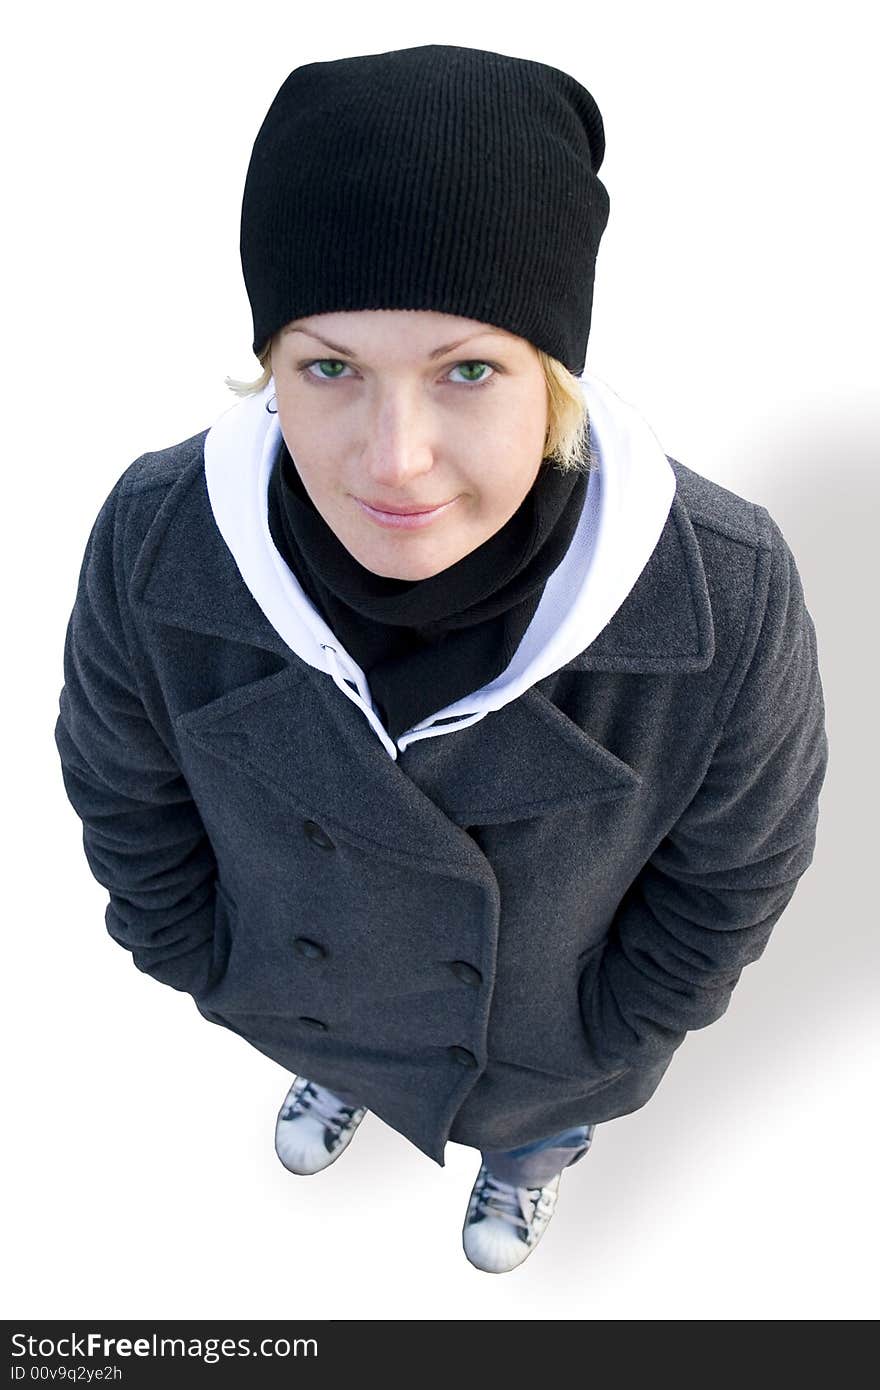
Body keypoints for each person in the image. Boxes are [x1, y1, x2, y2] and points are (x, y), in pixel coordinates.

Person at [53, 44, 829, 1276]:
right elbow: (121, 782)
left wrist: (608, 1037)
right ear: (269, 368)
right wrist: (203, 959)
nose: (393, 458)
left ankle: (526, 1165)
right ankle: (336, 1076)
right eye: (329, 369)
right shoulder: (158, 539)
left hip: (543, 1049)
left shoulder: (723, 587)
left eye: (467, 368)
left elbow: (739, 866)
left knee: (542, 1126)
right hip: (294, 996)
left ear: (551, 374)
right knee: (336, 1039)